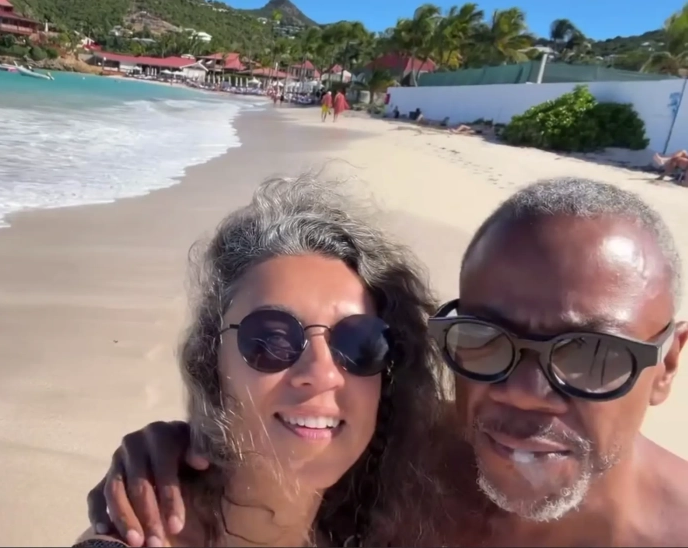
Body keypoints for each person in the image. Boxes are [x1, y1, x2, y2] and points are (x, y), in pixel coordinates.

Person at [86, 178, 688, 547]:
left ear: (666, 364)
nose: (525, 391)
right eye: (485, 339)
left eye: (592, 355)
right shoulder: (410, 456)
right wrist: (177, 448)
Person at [79, 177, 453, 547]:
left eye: (359, 343)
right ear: (211, 365)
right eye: (273, 340)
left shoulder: (380, 523)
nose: (322, 373)